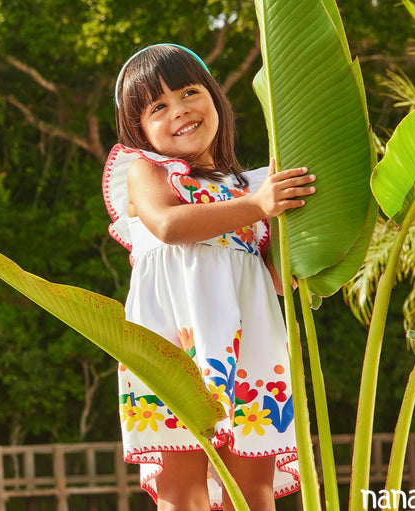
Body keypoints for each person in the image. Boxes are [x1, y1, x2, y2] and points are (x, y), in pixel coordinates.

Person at [102, 43, 316, 511]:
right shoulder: (148, 172)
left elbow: (278, 280)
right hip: (176, 347)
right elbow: (169, 227)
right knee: (184, 491)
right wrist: (258, 206)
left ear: (214, 97)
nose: (179, 111)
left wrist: (291, 230)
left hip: (249, 348)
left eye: (189, 92)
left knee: (252, 489)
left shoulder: (253, 185)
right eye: (158, 107)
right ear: (138, 129)